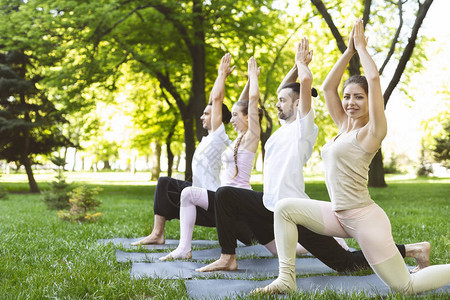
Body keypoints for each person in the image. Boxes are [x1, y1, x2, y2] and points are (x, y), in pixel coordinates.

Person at [196, 37, 430, 274]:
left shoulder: (303, 127)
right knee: (224, 195)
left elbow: (306, 82)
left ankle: (409, 249)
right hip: (268, 204)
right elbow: (287, 88)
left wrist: (303, 66)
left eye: (282, 101)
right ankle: (228, 257)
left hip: (295, 209)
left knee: (343, 264)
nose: (277, 104)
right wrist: (296, 67)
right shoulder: (283, 127)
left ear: (298, 104)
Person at [254, 20, 450, 295]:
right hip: (338, 214)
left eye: (359, 97)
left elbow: (373, 79)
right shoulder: (344, 126)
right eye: (347, 97)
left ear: (370, 101)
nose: (350, 102)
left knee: (404, 287)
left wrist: (361, 49)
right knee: (285, 208)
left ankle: (424, 256)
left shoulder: (373, 131)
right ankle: (286, 279)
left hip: (364, 219)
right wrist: (348, 52)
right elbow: (326, 88)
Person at [159, 54, 262, 260]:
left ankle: (183, 249)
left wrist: (224, 75)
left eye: (235, 115)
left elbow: (241, 102)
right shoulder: (236, 140)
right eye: (231, 115)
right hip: (223, 199)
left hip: (232, 200)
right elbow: (241, 105)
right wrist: (249, 82)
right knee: (185, 192)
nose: (232, 118)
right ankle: (183, 248)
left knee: (272, 244)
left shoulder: (239, 135)